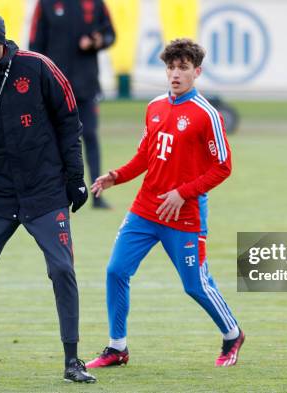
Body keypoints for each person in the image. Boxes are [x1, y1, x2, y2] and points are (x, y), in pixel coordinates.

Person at [0, 12, 95, 383]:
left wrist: (75, 179)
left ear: (2, 42)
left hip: (45, 191)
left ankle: (73, 361)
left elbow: (68, 122)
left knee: (62, 270)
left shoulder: (38, 68)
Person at [86, 38, 244, 368]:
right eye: (171, 67)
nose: (175, 74)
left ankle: (232, 334)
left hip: (184, 215)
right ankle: (117, 348)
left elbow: (223, 167)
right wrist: (117, 175)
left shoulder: (207, 115)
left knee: (195, 285)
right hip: (145, 209)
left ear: (196, 72)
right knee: (116, 271)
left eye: (183, 68)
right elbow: (146, 155)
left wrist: (183, 192)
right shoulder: (155, 107)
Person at [29, 0, 116, 209]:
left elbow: (110, 35)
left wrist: (96, 42)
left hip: (86, 86)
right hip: (55, 87)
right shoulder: (46, 4)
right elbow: (34, 45)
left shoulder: (95, 3)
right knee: (51, 140)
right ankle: (52, 194)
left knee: (90, 136)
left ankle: (96, 194)